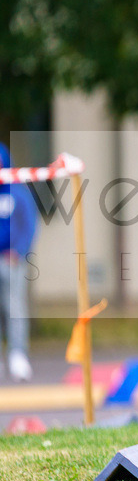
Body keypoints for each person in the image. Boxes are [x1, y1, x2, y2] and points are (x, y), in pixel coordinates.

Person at [0, 143, 39, 383]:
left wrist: (20, 250)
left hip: (12, 261)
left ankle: (17, 356)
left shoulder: (18, 191)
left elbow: (30, 225)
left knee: (15, 308)